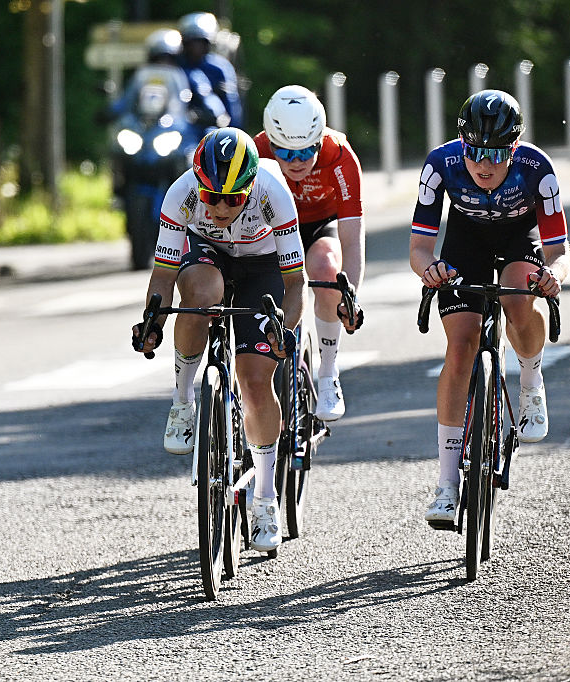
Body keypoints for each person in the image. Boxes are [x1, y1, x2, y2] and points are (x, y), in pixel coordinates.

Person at [131, 127, 306, 553]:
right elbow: (163, 276)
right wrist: (151, 320)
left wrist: (285, 331)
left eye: (234, 198)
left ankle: (265, 498)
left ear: (250, 188)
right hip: (208, 254)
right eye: (212, 197)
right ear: (198, 185)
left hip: (264, 265)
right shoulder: (182, 194)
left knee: (254, 381)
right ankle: (183, 400)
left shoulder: (273, 194)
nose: (222, 206)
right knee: (200, 299)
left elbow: (296, 285)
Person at [409, 90, 570, 527]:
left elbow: (559, 248)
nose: (484, 164)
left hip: (521, 242)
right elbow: (420, 249)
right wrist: (431, 271)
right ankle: (445, 483)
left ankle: (532, 383)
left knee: (519, 298)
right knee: (460, 349)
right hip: (465, 245)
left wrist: (554, 274)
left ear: (513, 148)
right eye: (475, 152)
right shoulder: (440, 165)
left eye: (496, 154)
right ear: (462, 143)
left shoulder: (538, 169)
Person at [254, 85, 365, 421]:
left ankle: (329, 372)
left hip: (321, 224)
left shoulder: (341, 156)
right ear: (270, 144)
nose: (296, 162)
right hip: (271, 226)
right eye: (284, 153)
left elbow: (351, 238)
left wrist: (350, 296)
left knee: (328, 268)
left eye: (305, 152)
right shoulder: (255, 151)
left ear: (320, 141)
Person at [178, 12, 244, 129]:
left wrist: (233, 133)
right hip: (181, 127)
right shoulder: (177, 66)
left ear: (209, 43)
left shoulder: (220, 68)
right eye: (191, 42)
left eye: (201, 42)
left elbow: (232, 105)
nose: (195, 48)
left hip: (211, 128)